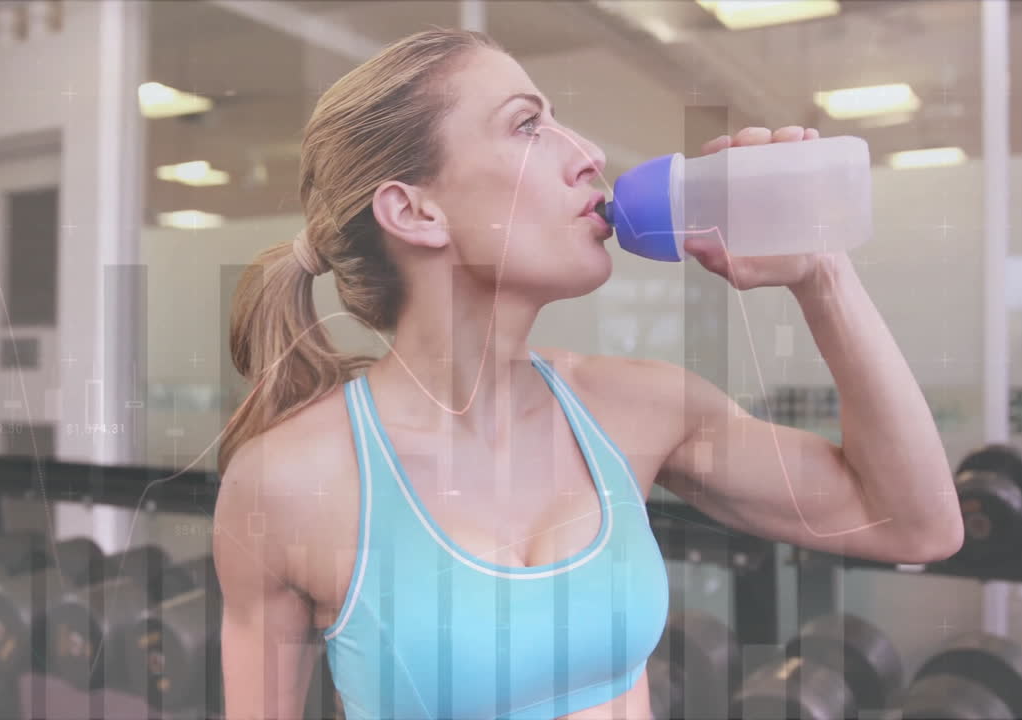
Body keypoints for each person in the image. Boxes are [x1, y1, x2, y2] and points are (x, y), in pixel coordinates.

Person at [212, 27, 964, 719]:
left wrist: (821, 272)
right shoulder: (289, 481)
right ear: (414, 212)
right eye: (526, 124)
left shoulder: (635, 409)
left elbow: (916, 521)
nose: (588, 150)